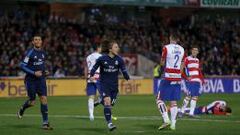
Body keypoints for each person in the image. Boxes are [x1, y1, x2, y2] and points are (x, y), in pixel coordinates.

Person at [90, 39, 130, 131]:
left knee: (111, 104)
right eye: (116, 47)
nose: (118, 48)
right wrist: (91, 75)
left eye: (118, 47)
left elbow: (124, 71)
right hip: (104, 85)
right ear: (110, 49)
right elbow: (94, 68)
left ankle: (100, 100)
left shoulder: (119, 60)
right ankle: (110, 124)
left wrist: (127, 78)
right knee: (107, 102)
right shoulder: (102, 59)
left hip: (114, 86)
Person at [17, 34, 53, 130]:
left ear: (41, 42)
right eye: (35, 40)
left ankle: (45, 123)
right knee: (32, 102)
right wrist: (33, 72)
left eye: (39, 40)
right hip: (31, 80)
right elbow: (21, 65)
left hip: (41, 80)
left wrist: (45, 71)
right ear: (33, 42)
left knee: (44, 99)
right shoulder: (30, 53)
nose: (37, 41)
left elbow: (41, 65)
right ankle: (23, 108)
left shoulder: (43, 53)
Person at [156, 34, 185, 130]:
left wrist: (160, 68)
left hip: (168, 76)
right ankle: (173, 124)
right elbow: (182, 64)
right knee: (173, 102)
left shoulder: (166, 48)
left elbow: (163, 60)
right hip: (177, 77)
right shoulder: (182, 49)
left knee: (159, 99)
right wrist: (179, 74)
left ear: (170, 39)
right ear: (177, 39)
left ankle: (166, 119)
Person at [179, 46, 204, 117]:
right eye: (193, 50)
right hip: (191, 81)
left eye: (196, 50)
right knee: (188, 96)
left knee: (195, 97)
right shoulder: (187, 59)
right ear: (191, 51)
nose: (195, 51)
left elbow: (199, 71)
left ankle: (191, 113)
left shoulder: (197, 60)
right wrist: (186, 77)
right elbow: (181, 70)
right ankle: (181, 111)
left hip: (197, 81)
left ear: (198, 52)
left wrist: (202, 80)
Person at [85, 44, 102, 121]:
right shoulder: (100, 56)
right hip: (97, 76)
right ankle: (98, 101)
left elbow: (86, 68)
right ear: (98, 48)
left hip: (89, 76)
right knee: (103, 94)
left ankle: (91, 115)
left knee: (91, 96)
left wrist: (87, 78)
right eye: (101, 47)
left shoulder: (88, 57)